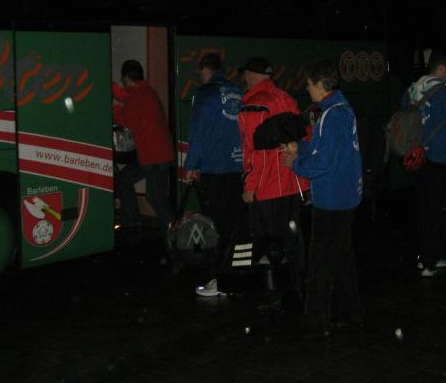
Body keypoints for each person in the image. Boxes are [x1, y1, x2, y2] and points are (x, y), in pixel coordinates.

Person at [284, 59, 363, 337]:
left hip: (332, 199)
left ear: (320, 84)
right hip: (346, 195)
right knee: (341, 256)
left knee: (320, 261)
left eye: (309, 84)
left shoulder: (331, 115)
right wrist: (301, 147)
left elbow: (323, 163)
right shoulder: (340, 110)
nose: (307, 89)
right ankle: (349, 312)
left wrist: (294, 163)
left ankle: (316, 321)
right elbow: (323, 149)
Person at [238, 56, 309, 304]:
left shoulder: (254, 106)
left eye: (246, 74)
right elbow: (302, 137)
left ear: (251, 75)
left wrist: (250, 185)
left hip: (267, 186)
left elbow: (254, 151)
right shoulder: (286, 99)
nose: (244, 79)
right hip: (292, 180)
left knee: (266, 240)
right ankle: (296, 285)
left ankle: (272, 291)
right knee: (292, 236)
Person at [402, 51, 446, 276]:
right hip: (441, 158)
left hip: (418, 157)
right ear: (441, 68)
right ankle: (430, 262)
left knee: (424, 209)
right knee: (440, 211)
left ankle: (424, 256)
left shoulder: (413, 90)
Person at [186, 53, 245, 297]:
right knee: (235, 223)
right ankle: (236, 272)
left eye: (199, 71)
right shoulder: (239, 93)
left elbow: (198, 132)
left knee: (215, 226)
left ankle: (217, 279)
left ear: (205, 70)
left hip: (214, 168)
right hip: (238, 167)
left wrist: (191, 164)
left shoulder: (205, 95)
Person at [113, 59, 175, 237]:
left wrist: (112, 109)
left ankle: (172, 234)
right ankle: (133, 221)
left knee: (155, 198)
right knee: (125, 180)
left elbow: (126, 118)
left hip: (153, 157)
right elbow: (126, 98)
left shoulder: (138, 95)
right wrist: (111, 88)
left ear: (126, 78)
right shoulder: (144, 91)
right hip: (157, 154)